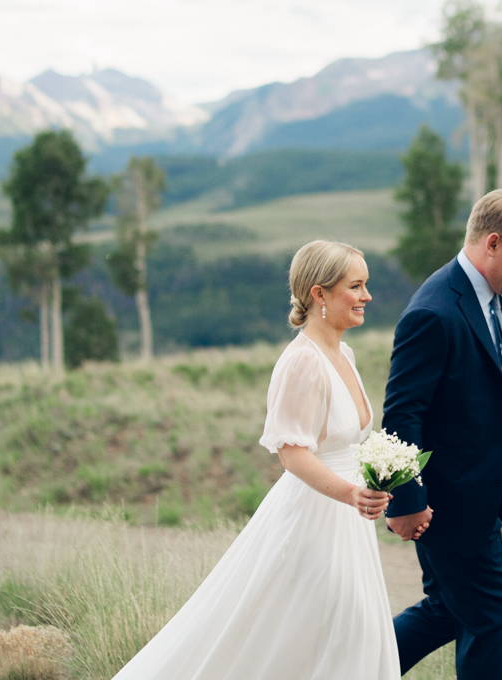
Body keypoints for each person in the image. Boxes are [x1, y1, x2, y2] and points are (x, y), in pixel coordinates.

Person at [112, 239, 400, 680]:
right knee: (307, 634)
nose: (367, 297)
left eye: (366, 285)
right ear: (318, 294)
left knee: (347, 633)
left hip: (349, 523)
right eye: (356, 286)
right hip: (314, 518)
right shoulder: (302, 362)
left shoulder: (345, 354)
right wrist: (350, 493)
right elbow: (292, 453)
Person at [383, 188, 502, 679]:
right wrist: (406, 500)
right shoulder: (433, 312)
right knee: (491, 617)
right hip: (450, 504)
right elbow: (402, 416)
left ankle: (349, 668)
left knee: (447, 611)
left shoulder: (484, 296)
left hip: (479, 498)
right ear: (493, 243)